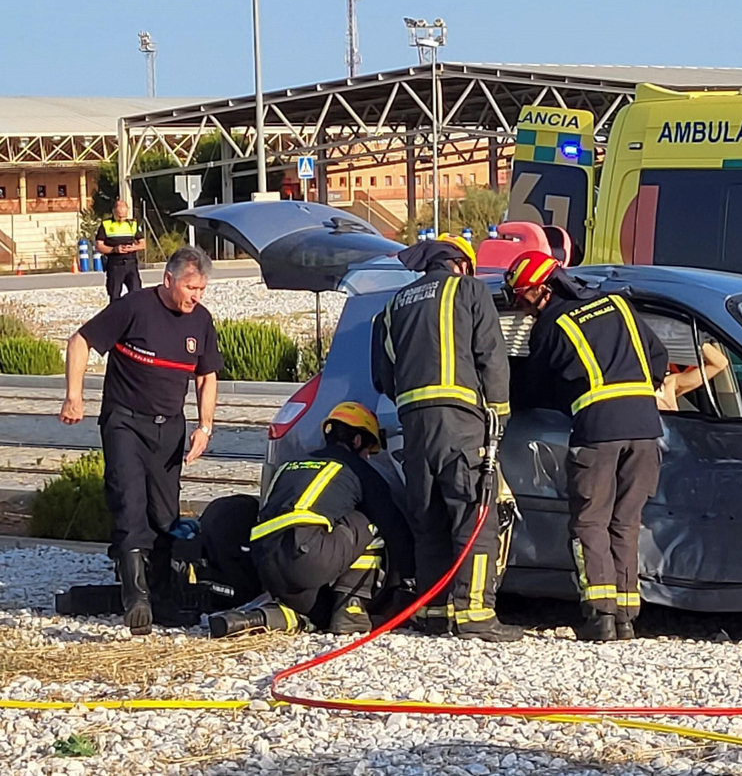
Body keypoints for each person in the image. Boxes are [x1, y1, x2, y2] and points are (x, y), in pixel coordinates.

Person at [59, 246, 222, 634]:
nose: (196, 295)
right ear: (168, 280)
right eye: (191, 287)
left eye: (202, 289)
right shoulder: (133, 307)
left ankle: (160, 597)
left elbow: (206, 376)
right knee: (129, 501)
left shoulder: (201, 321)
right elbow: (79, 341)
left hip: (170, 428)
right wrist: (74, 396)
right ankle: (135, 596)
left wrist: (205, 427)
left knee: (165, 516)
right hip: (125, 422)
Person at [507, 250, 668, 642]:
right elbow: (659, 356)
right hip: (647, 430)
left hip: (597, 431)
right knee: (625, 522)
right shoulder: (617, 304)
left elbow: (531, 388)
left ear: (541, 290)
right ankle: (626, 618)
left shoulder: (552, 325)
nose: (520, 307)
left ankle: (600, 616)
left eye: (521, 297)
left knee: (590, 522)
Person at [370, 234, 520, 643]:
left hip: (415, 427)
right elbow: (492, 356)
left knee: (430, 520)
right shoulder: (468, 290)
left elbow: (383, 378)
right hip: (460, 422)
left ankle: (434, 614)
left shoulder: (394, 306)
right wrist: (499, 415)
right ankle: (475, 615)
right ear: (461, 263)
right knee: (475, 516)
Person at [206, 402, 417, 637]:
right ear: (357, 441)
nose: (368, 457)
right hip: (306, 558)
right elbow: (393, 528)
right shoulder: (356, 469)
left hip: (265, 566)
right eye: (368, 450)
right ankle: (351, 609)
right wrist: (411, 580)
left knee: (320, 615)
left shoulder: (291, 464)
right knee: (367, 520)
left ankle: (253, 619)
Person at [96, 197, 146, 302]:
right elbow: (99, 245)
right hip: (115, 264)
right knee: (114, 294)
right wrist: (114, 249)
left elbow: (143, 244)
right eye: (119, 216)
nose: (121, 219)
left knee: (137, 293)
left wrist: (133, 248)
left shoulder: (133, 224)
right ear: (113, 212)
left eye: (124, 216)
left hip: (131, 263)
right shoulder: (106, 225)